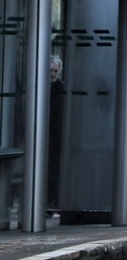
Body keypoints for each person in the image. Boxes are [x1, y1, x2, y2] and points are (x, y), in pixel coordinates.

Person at [48, 55, 65, 215]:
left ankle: (51, 202)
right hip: (46, 134)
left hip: (56, 136)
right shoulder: (40, 86)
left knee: (54, 171)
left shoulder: (61, 89)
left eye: (55, 71)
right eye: (51, 70)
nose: (53, 73)